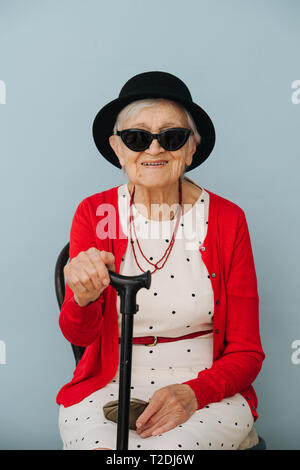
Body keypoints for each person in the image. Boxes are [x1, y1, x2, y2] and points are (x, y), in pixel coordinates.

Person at [57, 71, 265, 450]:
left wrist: (193, 393)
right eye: (136, 138)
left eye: (172, 137)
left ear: (190, 149)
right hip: (111, 380)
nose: (154, 150)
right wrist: (82, 297)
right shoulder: (94, 212)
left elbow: (247, 352)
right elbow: (78, 335)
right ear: (117, 148)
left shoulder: (228, 219)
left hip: (205, 385)